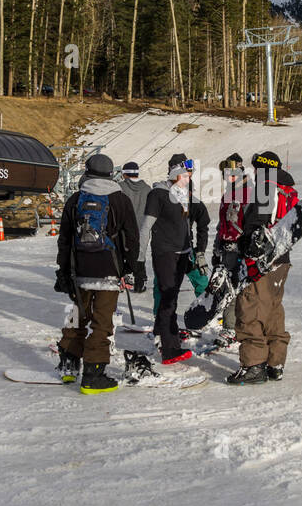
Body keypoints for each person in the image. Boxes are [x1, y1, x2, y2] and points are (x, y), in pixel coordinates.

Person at [55, 153, 140, 393]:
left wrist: (63, 270)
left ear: (87, 171)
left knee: (75, 315)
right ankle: (94, 374)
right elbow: (132, 238)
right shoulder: (120, 200)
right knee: (102, 323)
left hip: (78, 270)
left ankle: (68, 365)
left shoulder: (75, 200)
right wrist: (133, 268)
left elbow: (64, 240)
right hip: (109, 271)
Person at [227, 151, 299, 385]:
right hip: (281, 259)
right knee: (273, 309)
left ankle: (253, 365)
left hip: (261, 261)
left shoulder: (266, 187)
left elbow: (258, 224)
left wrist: (247, 248)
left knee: (249, 310)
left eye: (256, 168)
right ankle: (275, 362)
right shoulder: (288, 190)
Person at [141, 153, 209, 364]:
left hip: (184, 253)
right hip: (165, 253)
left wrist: (198, 251)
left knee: (175, 295)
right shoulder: (158, 194)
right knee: (166, 296)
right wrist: (138, 260)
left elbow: (201, 221)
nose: (188, 176)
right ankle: (168, 346)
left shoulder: (185, 195)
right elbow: (146, 228)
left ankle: (165, 331)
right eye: (185, 172)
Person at [210, 153, 251, 346]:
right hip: (227, 248)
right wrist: (217, 246)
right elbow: (223, 223)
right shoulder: (229, 192)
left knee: (238, 288)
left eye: (233, 173)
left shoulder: (249, 191)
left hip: (241, 249)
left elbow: (251, 222)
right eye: (226, 173)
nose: (229, 176)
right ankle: (230, 326)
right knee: (228, 287)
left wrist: (244, 244)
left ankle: (235, 327)